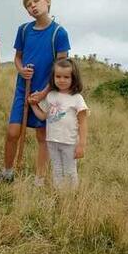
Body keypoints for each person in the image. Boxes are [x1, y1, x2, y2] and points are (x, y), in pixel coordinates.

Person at [0, 0, 70, 183]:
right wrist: (20, 70)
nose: (32, 6)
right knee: (13, 132)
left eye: (36, 1)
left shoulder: (59, 33)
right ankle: (7, 171)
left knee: (42, 136)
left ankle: (39, 179)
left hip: (47, 91)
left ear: (47, 1)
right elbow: (18, 58)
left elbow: (62, 68)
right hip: (24, 88)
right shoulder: (24, 30)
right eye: (28, 5)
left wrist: (44, 93)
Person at [29, 58, 88, 188]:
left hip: (69, 141)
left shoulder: (77, 98)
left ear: (74, 78)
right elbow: (43, 116)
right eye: (58, 76)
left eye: (66, 77)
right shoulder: (50, 96)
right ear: (53, 77)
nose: (61, 80)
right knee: (57, 169)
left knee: (70, 170)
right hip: (52, 140)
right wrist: (33, 105)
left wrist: (81, 145)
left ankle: (71, 196)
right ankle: (59, 194)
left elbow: (83, 123)